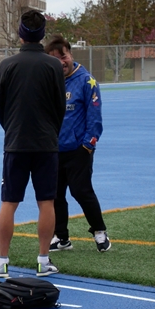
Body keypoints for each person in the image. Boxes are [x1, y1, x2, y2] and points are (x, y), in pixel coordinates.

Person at [0, 10, 66, 278]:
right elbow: (60, 106)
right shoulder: (53, 65)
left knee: (9, 202)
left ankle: (2, 261)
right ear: (42, 34)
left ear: (20, 33)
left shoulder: (7, 65)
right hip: (46, 144)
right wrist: (49, 132)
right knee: (46, 202)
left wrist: (12, 129)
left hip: (16, 144)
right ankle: (43, 260)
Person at [44, 35, 110, 253]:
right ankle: (61, 237)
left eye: (63, 56)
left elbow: (95, 117)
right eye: (54, 59)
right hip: (53, 150)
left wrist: (88, 145)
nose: (60, 62)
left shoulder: (87, 81)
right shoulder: (50, 81)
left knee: (81, 191)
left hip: (78, 149)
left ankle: (99, 231)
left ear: (70, 54)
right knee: (55, 194)